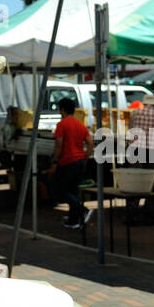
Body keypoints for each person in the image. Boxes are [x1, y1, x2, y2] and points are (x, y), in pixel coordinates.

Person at [48, 97, 93, 229]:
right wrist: (85, 157)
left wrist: (54, 162)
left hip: (67, 161)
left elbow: (58, 145)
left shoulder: (62, 125)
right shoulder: (80, 125)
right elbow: (90, 143)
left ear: (62, 110)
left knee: (61, 191)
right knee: (72, 191)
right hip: (79, 161)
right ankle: (73, 221)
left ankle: (82, 209)